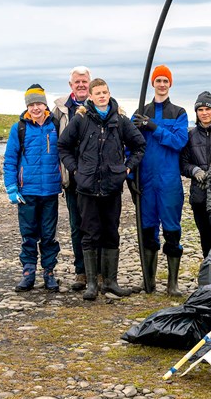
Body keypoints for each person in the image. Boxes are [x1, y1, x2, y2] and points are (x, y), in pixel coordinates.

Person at [57, 78, 146, 300]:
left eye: (105, 92)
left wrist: (126, 168)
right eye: (97, 93)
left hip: (112, 187)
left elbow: (139, 145)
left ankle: (110, 282)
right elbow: (63, 146)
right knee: (89, 234)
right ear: (91, 96)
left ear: (109, 93)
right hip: (86, 187)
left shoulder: (121, 120)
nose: (102, 96)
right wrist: (75, 170)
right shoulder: (81, 120)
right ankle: (91, 284)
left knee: (111, 233)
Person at [131, 65, 189, 296]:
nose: (162, 84)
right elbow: (132, 145)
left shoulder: (178, 112)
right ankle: (150, 281)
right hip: (145, 179)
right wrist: (129, 176)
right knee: (147, 230)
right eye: (158, 80)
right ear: (153, 83)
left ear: (170, 84)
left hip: (169, 180)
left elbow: (179, 142)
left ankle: (172, 283)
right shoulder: (140, 111)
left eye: (166, 80)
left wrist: (153, 127)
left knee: (172, 230)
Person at [3, 84, 62, 292]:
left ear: (45, 104)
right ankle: (28, 272)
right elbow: (10, 159)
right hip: (27, 191)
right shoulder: (19, 128)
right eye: (32, 104)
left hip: (51, 190)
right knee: (28, 234)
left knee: (48, 235)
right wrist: (11, 187)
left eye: (39, 103)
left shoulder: (55, 125)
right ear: (27, 106)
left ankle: (49, 272)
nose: (35, 108)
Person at [51, 66, 92, 292]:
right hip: (72, 177)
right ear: (70, 85)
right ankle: (81, 271)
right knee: (77, 225)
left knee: (99, 225)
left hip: (97, 178)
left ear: (90, 82)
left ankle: (101, 272)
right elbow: (56, 145)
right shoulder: (60, 110)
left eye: (84, 81)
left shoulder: (103, 104)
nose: (81, 85)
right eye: (77, 82)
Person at [179, 91, 211, 257]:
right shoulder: (190, 136)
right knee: (206, 238)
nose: (204, 113)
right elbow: (183, 163)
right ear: (196, 113)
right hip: (199, 196)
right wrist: (195, 171)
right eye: (200, 110)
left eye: (208, 109)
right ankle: (209, 275)